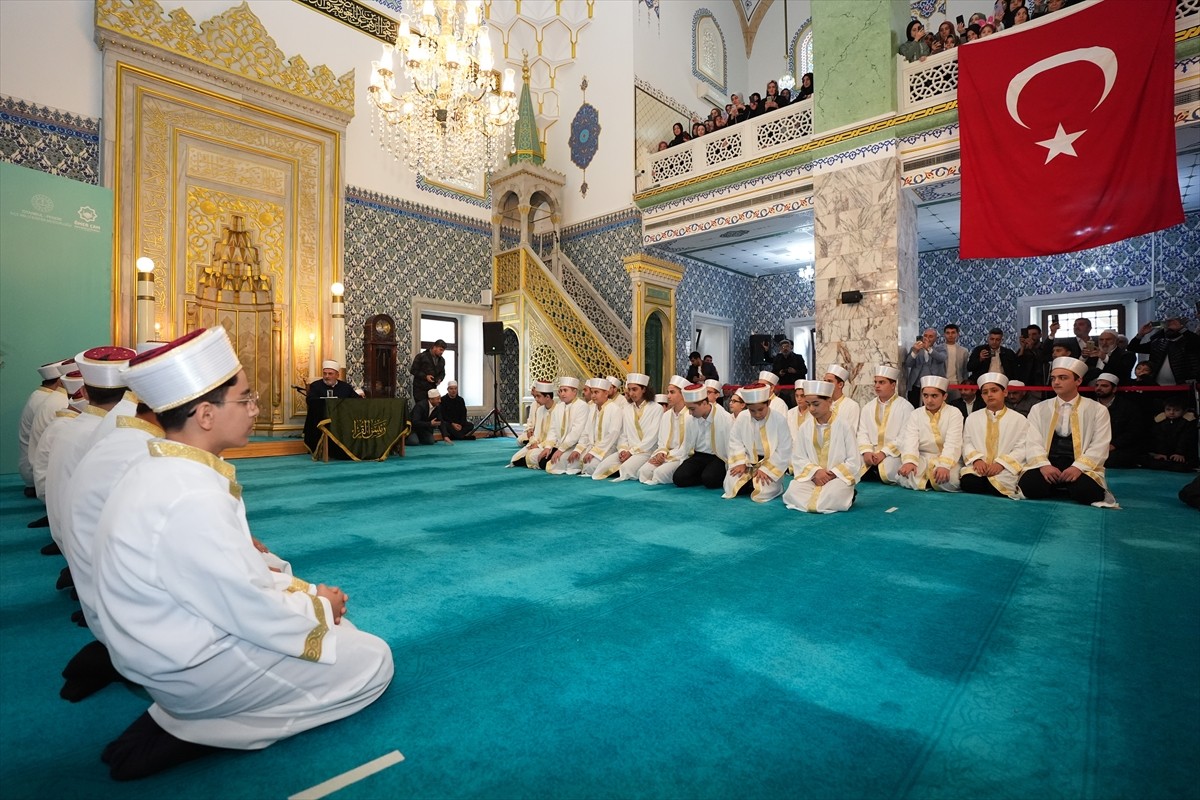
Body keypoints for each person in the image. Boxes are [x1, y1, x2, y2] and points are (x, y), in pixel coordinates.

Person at [93, 327, 393, 780]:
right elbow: (246, 604)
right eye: (246, 400)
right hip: (195, 669)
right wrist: (317, 605)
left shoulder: (164, 467)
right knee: (374, 660)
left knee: (337, 629)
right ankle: (206, 729)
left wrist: (310, 598)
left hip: (170, 650)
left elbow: (233, 579)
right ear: (207, 415)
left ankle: (187, 717)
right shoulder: (190, 494)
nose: (256, 410)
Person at [1018, 357, 1117, 507]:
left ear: (1078, 381)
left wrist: (1078, 467)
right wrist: (1044, 465)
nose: (1056, 382)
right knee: (1029, 487)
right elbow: (1032, 440)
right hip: (1049, 462)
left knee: (1088, 493)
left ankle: (1063, 485)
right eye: (1053, 378)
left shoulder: (1097, 410)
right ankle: (1059, 483)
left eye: (1063, 378)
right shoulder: (1039, 408)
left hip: (1079, 464)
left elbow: (1100, 444)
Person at [783, 380, 859, 514]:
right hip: (812, 477)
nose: (811, 409)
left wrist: (831, 474)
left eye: (816, 404)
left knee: (834, 493)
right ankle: (834, 499)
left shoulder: (844, 425)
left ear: (829, 401)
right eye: (809, 404)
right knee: (792, 491)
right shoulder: (805, 428)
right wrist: (816, 472)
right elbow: (798, 457)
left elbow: (853, 460)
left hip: (836, 477)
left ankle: (845, 495)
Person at [959, 372, 1031, 498]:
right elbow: (967, 442)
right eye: (985, 392)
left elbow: (1022, 447)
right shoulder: (973, 418)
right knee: (968, 482)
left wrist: (1001, 464)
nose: (990, 395)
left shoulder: (1019, 419)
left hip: (1004, 468)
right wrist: (977, 460)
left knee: (999, 484)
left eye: (994, 390)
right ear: (981, 396)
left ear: (1005, 392)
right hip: (979, 467)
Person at [722, 383, 792, 502]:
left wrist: (766, 469)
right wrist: (740, 461)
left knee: (763, 489)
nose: (757, 414)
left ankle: (775, 486)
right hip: (747, 461)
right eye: (752, 411)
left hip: (769, 462)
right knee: (732, 484)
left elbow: (784, 449)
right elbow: (735, 441)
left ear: (768, 403)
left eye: (760, 409)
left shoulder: (779, 420)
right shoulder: (743, 417)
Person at [896, 376, 964, 493]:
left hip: (947, 457)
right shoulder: (916, 414)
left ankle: (928, 481)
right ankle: (930, 482)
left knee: (952, 480)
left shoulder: (954, 413)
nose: (929, 400)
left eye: (934, 396)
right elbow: (910, 440)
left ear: (945, 396)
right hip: (922, 458)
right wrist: (910, 461)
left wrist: (944, 465)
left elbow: (953, 442)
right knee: (905, 475)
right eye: (925, 396)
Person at [597, 373, 662, 481]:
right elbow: (622, 434)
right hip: (628, 450)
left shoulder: (656, 408)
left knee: (626, 468)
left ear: (644, 389)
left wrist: (631, 452)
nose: (631, 393)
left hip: (646, 451)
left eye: (634, 389)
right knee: (601, 467)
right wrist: (623, 449)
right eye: (629, 390)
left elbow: (652, 437)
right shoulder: (626, 409)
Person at [856, 365, 913, 484]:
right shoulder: (868, 407)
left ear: (893, 385)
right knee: (853, 465)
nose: (877, 385)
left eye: (882, 382)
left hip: (893, 453)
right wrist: (867, 451)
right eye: (876, 382)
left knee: (889, 470)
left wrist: (883, 452)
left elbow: (905, 436)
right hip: (871, 452)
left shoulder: (905, 407)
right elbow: (862, 433)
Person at [673, 383, 733, 490]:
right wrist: (683, 463)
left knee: (710, 480)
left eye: (692, 409)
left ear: (704, 403)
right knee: (678, 478)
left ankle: (707, 475)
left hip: (718, 456)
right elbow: (687, 444)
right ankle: (704, 475)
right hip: (698, 455)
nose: (690, 413)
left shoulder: (725, 418)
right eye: (689, 409)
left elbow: (730, 447)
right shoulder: (690, 419)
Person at [18, 361, 64, 496]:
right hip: (35, 473)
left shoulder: (39, 395)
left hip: (30, 469)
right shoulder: (50, 401)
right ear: (60, 382)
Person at [564, 378, 623, 477]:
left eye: (596, 392)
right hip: (591, 447)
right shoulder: (592, 408)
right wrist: (578, 449)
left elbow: (613, 434)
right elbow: (585, 433)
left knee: (591, 466)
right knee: (570, 462)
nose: (593, 396)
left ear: (606, 393)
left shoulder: (615, 409)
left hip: (608, 448)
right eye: (592, 392)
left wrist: (594, 452)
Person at [638, 376, 691, 485]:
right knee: (644, 472)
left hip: (680, 457)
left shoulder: (690, 416)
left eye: (672, 392)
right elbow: (661, 440)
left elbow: (688, 446)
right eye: (668, 392)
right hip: (665, 455)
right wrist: (661, 453)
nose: (668, 396)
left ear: (682, 395)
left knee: (660, 473)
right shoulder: (666, 415)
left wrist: (666, 457)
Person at [1128, 316, 1200, 387]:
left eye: (1173, 325)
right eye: (1167, 325)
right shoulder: (1157, 343)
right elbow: (1132, 348)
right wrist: (1141, 334)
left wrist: (1181, 329)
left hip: (1182, 386)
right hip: (1157, 386)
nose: (1169, 328)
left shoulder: (1189, 342)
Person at [1091, 373, 1144, 468]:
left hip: (1116, 447)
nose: (1099, 388)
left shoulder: (1127, 407)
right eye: (1097, 385)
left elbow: (1133, 432)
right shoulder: (1088, 405)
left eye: (1104, 386)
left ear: (1114, 389)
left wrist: (1113, 445)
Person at [303, 360, 357, 451]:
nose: (327, 376)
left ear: (337, 375)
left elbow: (356, 400)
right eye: (325, 373)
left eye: (330, 374)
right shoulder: (316, 386)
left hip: (342, 419)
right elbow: (310, 400)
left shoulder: (345, 387)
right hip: (321, 418)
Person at [545, 377, 590, 475]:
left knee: (560, 462)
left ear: (574, 392)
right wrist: (548, 447)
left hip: (576, 446)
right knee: (541, 457)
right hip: (560, 446)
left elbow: (576, 432)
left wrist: (561, 450)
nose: (562, 394)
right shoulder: (558, 407)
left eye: (565, 390)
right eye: (560, 391)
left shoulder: (582, 406)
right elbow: (552, 429)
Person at [509, 381, 556, 468]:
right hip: (538, 443)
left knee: (531, 456)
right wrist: (533, 442)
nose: (536, 399)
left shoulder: (558, 410)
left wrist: (539, 446)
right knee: (515, 459)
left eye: (538, 396)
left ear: (548, 397)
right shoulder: (540, 410)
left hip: (551, 445)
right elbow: (537, 433)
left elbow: (556, 436)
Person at [1144, 397, 1198, 472]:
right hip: (1165, 452)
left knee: (1181, 467)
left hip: (1183, 453)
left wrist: (1180, 453)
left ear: (1184, 411)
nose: (1171, 412)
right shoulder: (1159, 420)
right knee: (1152, 464)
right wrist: (1161, 453)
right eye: (1168, 409)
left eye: (1176, 410)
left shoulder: (1188, 421)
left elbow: (1186, 439)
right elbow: (1159, 438)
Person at [904, 328, 945, 407]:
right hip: (916, 385)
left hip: (933, 385)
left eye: (930, 336)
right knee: (914, 408)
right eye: (925, 336)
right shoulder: (916, 348)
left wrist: (928, 348)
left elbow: (941, 358)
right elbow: (908, 364)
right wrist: (915, 352)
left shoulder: (941, 349)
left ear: (936, 338)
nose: (927, 338)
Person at [936, 323, 970, 402]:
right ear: (944, 334)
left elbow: (965, 370)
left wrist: (964, 386)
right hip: (941, 383)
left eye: (953, 333)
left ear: (957, 334)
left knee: (957, 406)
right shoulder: (937, 349)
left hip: (957, 384)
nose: (950, 335)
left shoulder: (963, 351)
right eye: (948, 333)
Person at [771, 338, 807, 407]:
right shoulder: (777, 358)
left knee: (794, 405)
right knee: (782, 405)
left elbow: (804, 371)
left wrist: (795, 371)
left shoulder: (798, 357)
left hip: (794, 388)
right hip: (781, 388)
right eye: (783, 347)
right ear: (780, 349)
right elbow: (773, 372)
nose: (785, 349)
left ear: (791, 347)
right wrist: (779, 373)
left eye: (787, 346)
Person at [409, 339, 446, 404]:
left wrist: (440, 379)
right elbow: (413, 370)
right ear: (434, 347)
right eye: (440, 349)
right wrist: (425, 377)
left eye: (443, 350)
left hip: (432, 390)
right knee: (421, 409)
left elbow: (442, 373)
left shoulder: (442, 360)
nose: (442, 352)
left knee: (432, 411)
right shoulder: (421, 356)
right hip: (420, 390)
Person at [825, 364, 861, 431]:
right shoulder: (822, 404)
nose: (826, 384)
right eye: (825, 381)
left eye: (829, 381)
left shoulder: (852, 406)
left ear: (840, 385)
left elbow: (851, 432)